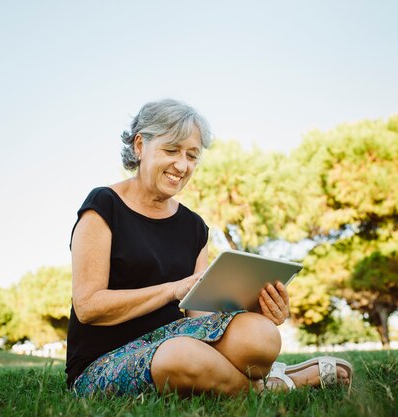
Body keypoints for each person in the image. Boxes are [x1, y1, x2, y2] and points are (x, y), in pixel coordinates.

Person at [66, 99, 353, 396]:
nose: (182, 165)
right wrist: (173, 289)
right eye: (171, 150)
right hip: (103, 361)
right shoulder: (103, 206)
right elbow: (88, 307)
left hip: (175, 338)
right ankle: (269, 387)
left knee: (261, 336)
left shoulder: (194, 226)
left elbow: (197, 316)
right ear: (140, 146)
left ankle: (250, 374)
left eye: (192, 155)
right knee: (180, 356)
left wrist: (256, 311)